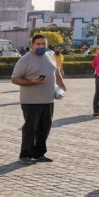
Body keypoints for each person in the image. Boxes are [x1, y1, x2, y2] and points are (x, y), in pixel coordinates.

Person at [11, 34, 66, 164]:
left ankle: (39, 153)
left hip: (48, 100)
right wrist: (32, 82)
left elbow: (56, 72)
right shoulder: (25, 60)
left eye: (44, 44)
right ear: (32, 45)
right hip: (31, 101)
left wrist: (62, 86)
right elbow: (14, 78)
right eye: (39, 44)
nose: (42, 46)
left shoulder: (50, 56)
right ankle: (25, 155)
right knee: (30, 128)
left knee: (45, 128)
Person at [92, 48, 99, 118]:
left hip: (98, 76)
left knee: (97, 94)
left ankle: (96, 111)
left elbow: (93, 64)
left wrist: (98, 68)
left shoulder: (98, 55)